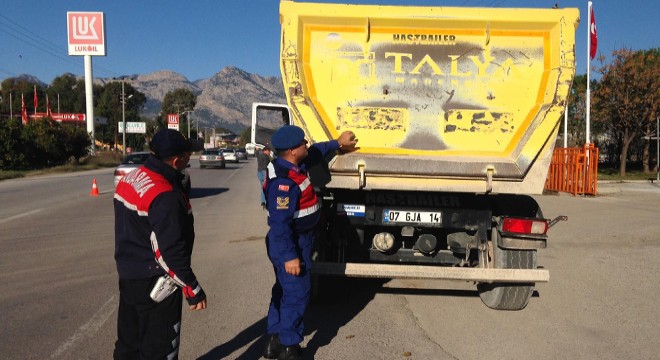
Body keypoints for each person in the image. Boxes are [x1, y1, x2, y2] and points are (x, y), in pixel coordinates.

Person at [262, 125, 357, 360]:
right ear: (293, 151)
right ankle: (289, 347)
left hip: (299, 239)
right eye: (302, 143)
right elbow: (280, 225)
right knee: (297, 293)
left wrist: (337, 143)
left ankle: (274, 341)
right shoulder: (284, 183)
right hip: (292, 243)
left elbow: (316, 150)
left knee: (283, 290)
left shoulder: (292, 164)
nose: (306, 144)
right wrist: (289, 256)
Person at [113, 129, 207, 360]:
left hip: (129, 274)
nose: (189, 159)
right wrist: (192, 288)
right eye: (187, 155)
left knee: (129, 343)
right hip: (157, 282)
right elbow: (169, 251)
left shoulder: (131, 178)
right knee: (160, 347)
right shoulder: (165, 194)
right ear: (177, 160)